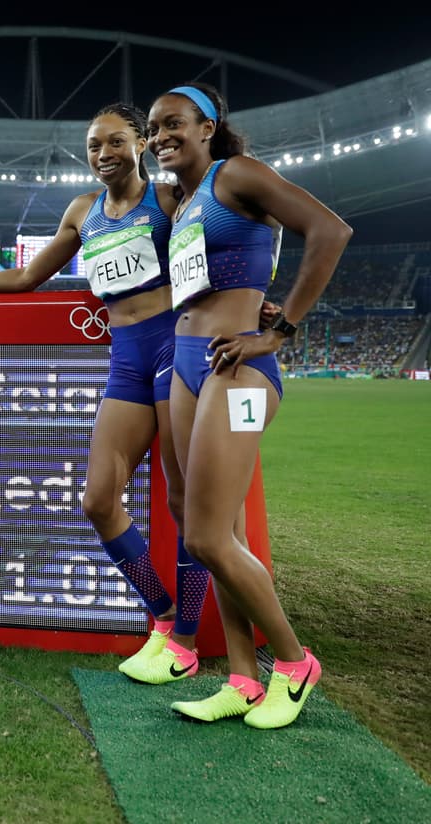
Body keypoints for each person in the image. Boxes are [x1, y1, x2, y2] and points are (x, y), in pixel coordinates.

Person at [0, 103, 211, 684]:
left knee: (183, 502)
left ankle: (188, 644)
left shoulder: (169, 201)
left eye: (115, 142)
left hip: (175, 348)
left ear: (141, 144)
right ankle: (165, 620)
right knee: (98, 500)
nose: (103, 155)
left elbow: (211, 257)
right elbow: (27, 277)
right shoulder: (82, 211)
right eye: (94, 145)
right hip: (125, 359)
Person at [146, 83, 352, 728]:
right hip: (187, 362)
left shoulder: (237, 175)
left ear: (208, 126)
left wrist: (280, 328)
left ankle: (293, 664)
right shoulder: (181, 204)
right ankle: (242, 678)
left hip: (238, 366)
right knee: (209, 531)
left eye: (173, 123)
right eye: (153, 129)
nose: (160, 136)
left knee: (208, 534)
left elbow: (329, 230)